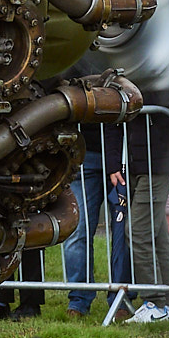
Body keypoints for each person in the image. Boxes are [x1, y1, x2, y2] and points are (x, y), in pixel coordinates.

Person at [52, 123, 131, 319]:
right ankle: (79, 299)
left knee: (124, 233)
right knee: (77, 229)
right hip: (84, 154)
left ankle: (121, 298)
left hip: (122, 154)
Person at [123, 105, 169, 323]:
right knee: (159, 236)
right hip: (145, 162)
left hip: (156, 163)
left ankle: (154, 303)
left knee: (137, 232)